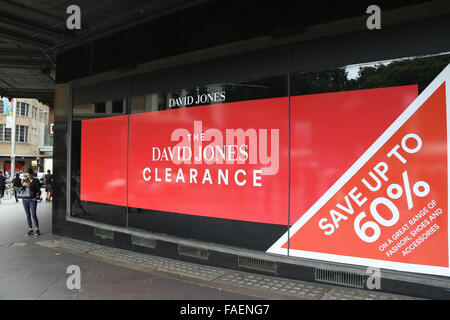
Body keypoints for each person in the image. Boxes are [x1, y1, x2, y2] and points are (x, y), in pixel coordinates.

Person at [21, 168, 41, 236]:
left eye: (29, 175)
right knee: (28, 215)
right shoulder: (25, 180)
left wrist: (30, 186)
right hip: (25, 200)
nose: (28, 176)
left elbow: (38, 191)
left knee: (33, 215)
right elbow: (22, 190)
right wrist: (22, 186)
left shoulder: (36, 181)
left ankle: (37, 229)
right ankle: (30, 230)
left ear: (32, 174)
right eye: (27, 175)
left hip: (33, 199)